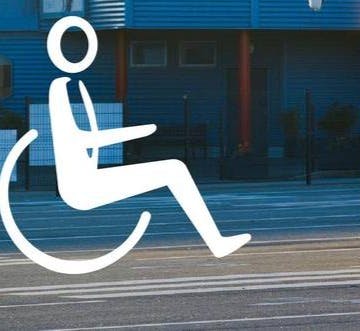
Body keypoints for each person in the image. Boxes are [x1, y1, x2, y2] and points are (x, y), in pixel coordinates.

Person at [47, 16, 250, 259]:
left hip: (83, 180)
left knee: (174, 170)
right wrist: (137, 131)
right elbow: (81, 140)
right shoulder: (60, 91)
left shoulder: (68, 88)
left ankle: (216, 240)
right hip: (83, 185)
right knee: (174, 170)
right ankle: (216, 241)